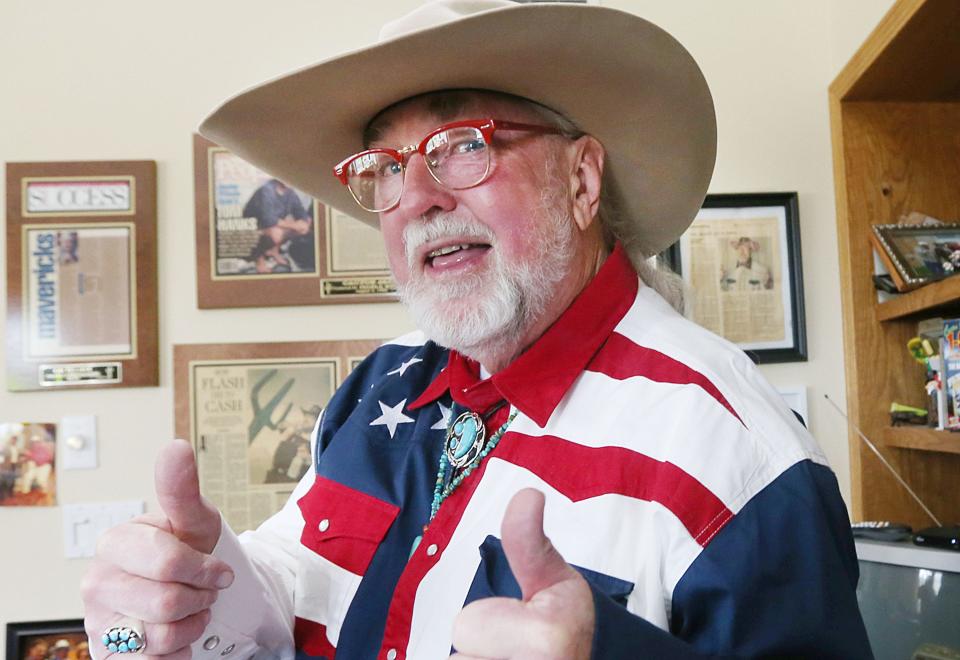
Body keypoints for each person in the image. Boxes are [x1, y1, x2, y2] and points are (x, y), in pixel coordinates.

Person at [82, 2, 872, 659]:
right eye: (387, 168)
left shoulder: (740, 456)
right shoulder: (378, 390)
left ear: (582, 180)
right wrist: (180, 595)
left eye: (465, 146)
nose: (417, 195)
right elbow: (292, 585)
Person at [242, 178, 313, 273]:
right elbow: (269, 219)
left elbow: (300, 211)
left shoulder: (290, 192)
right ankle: (259, 261)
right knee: (277, 233)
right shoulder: (267, 190)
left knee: (301, 228)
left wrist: (305, 221)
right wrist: (295, 225)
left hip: (272, 225)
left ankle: (273, 251)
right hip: (253, 227)